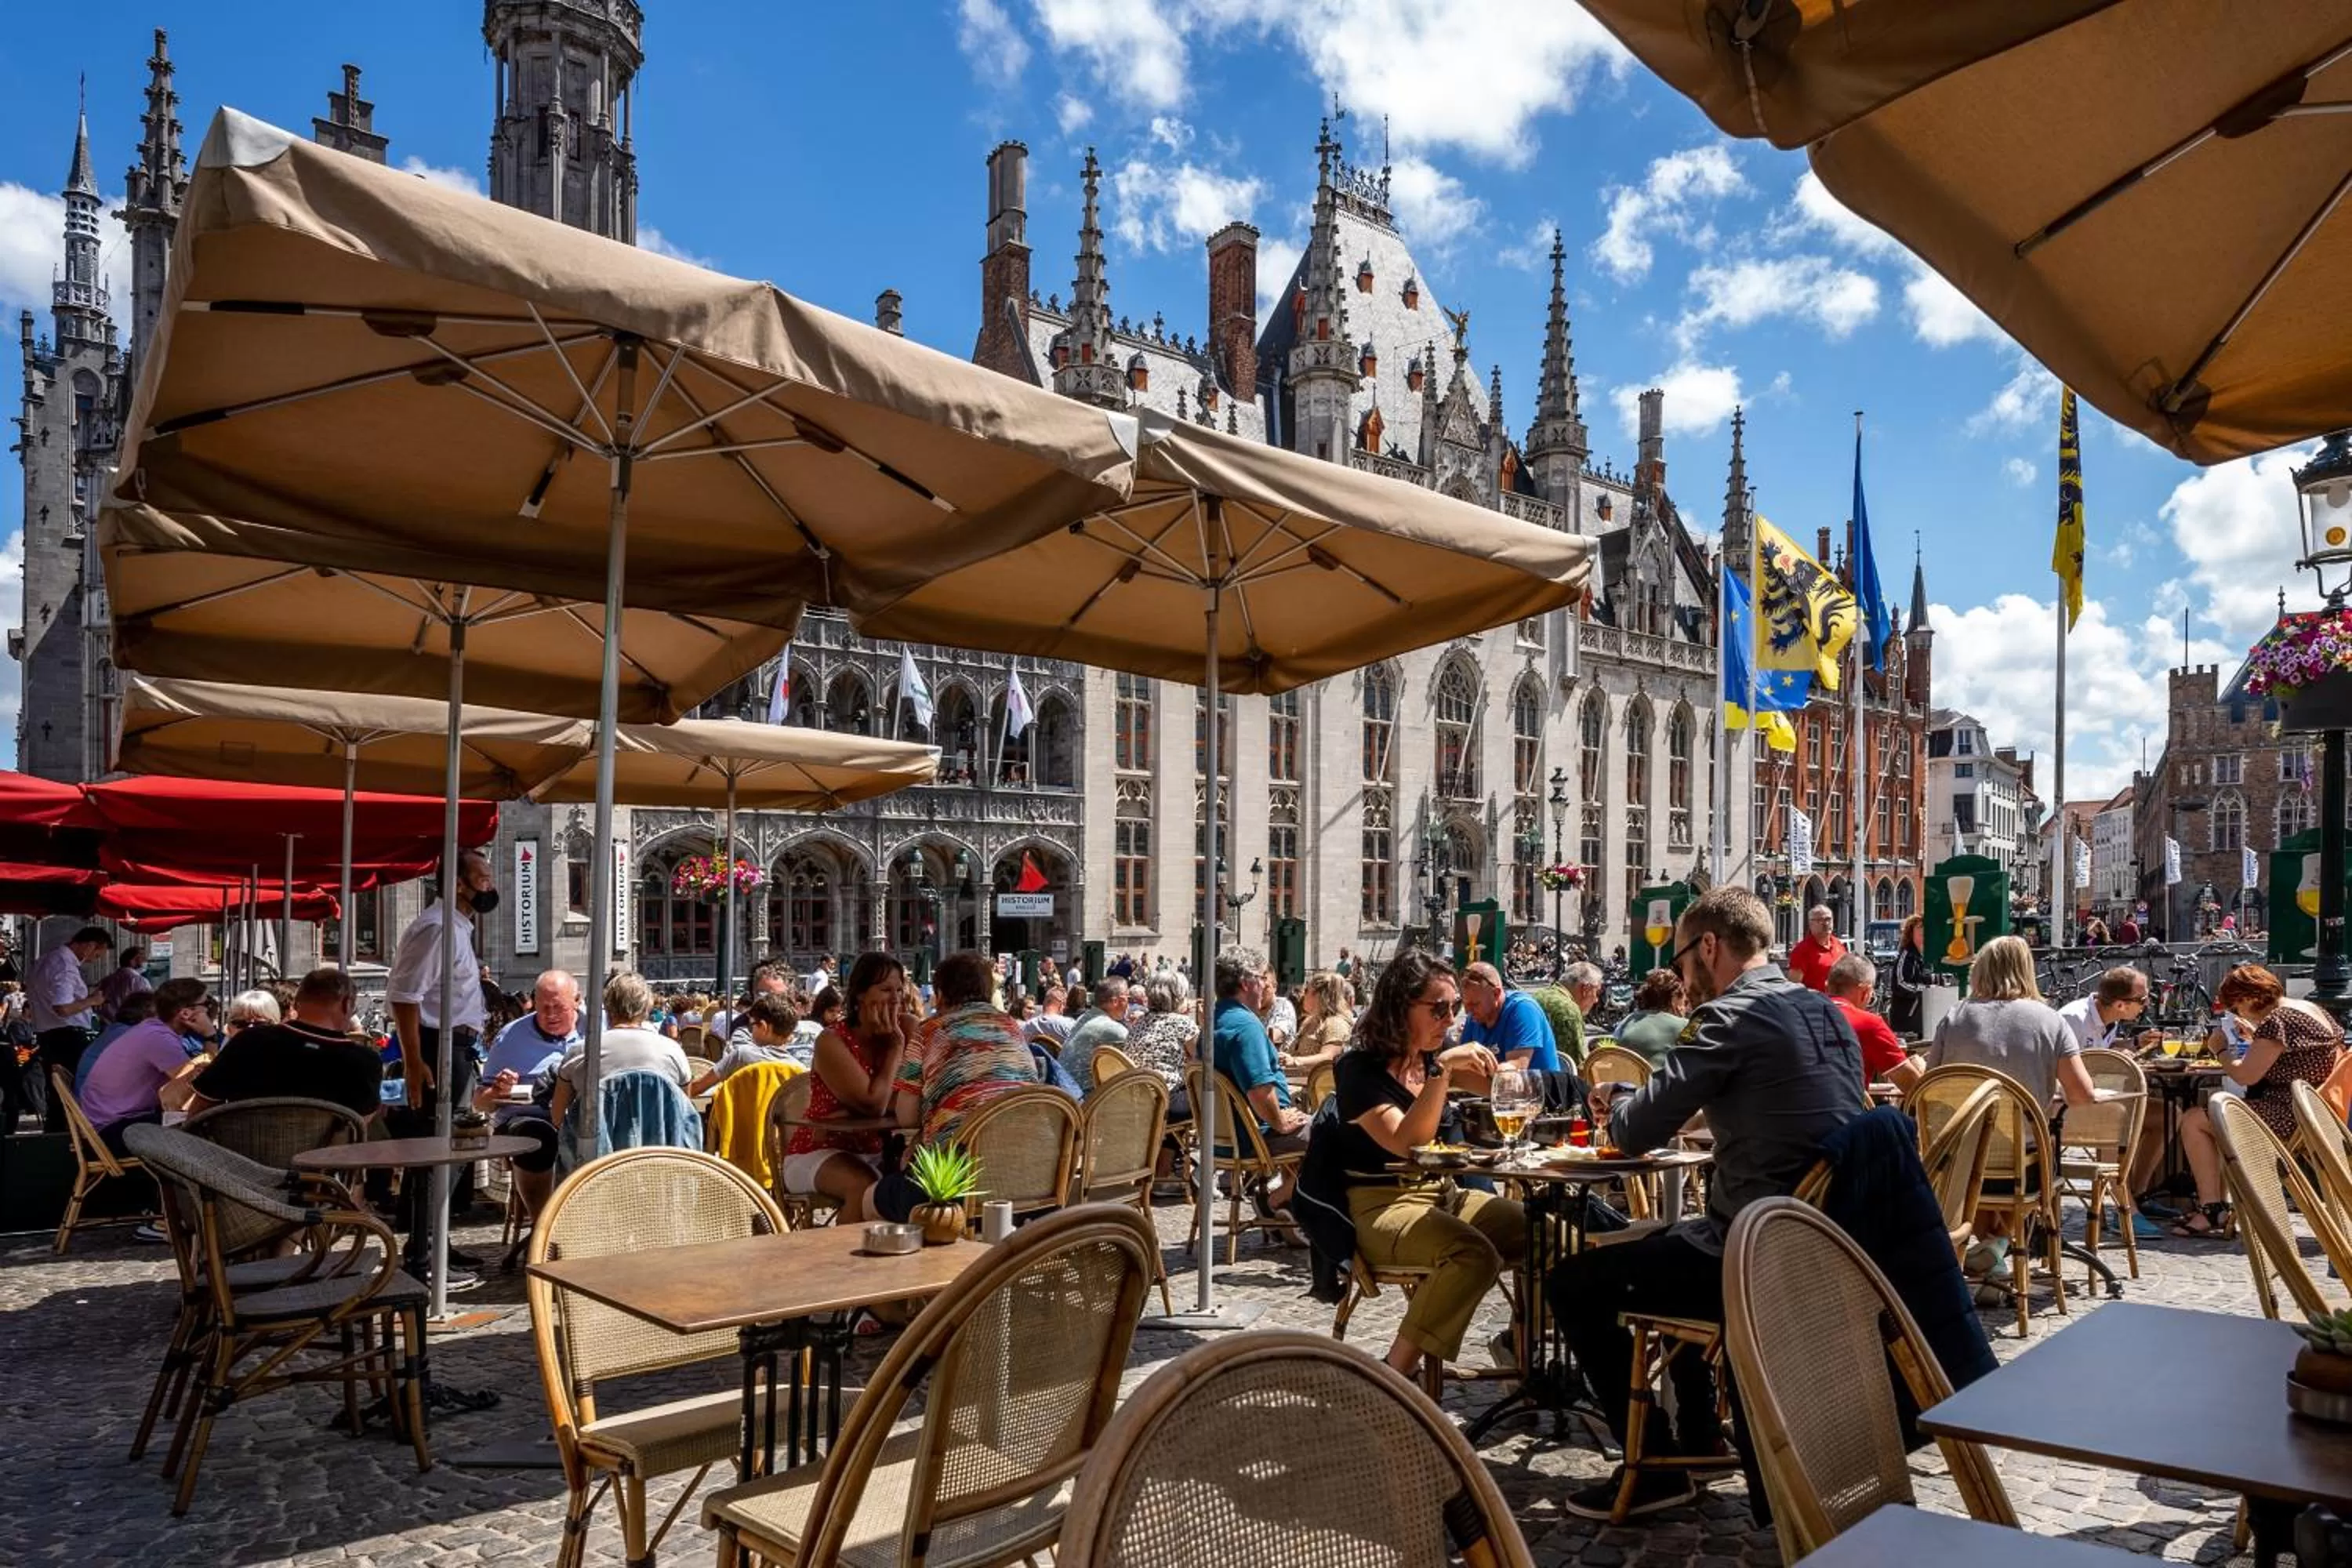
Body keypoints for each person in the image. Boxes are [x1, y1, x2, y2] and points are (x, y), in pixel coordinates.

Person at [1547, 886, 1863, 1519]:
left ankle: (1656, 1468)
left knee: (1575, 1282)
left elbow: (1635, 1132)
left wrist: (1618, 1103)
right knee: (1673, 1244)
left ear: (1710, 947)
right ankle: (1694, 1436)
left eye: (1686, 958)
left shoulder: (1729, 1017)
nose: (1683, 976)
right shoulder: (1828, 1012)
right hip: (1832, 1241)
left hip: (1753, 1253)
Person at [1325, 950, 1524, 1382]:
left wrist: (1521, 1080)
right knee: (1472, 1256)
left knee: (1541, 1231)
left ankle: (1519, 1344)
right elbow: (1407, 1143)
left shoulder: (1437, 1056)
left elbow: (1503, 1088)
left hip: (1443, 1194)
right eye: (1439, 1009)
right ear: (1400, 1007)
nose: (1450, 1019)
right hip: (1382, 1206)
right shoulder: (1358, 1069)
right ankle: (1394, 1374)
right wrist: (1443, 1074)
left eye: (1454, 1008)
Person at [385, 848, 499, 1282]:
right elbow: (405, 996)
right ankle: (424, 1254)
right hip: (438, 1048)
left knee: (447, 1148)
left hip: (457, 1046)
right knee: (439, 1149)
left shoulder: (456, 927)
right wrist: (414, 1062)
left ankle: (433, 1242)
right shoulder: (436, 929)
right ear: (457, 884)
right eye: (483, 878)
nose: (489, 886)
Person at [869, 951, 1043, 1222]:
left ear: (940, 994)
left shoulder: (930, 1031)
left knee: (869, 1198)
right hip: (1027, 1180)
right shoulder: (1012, 1028)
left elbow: (906, 1116)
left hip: (956, 1183)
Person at [2172, 964, 2343, 1238]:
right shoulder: (2309, 1009)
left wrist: (2221, 1051)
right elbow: (2294, 1056)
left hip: (2288, 1114)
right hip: (2315, 1109)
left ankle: (2211, 1209)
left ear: (2248, 999)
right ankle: (2218, 1205)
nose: (2236, 1013)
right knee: (2212, 1119)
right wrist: (2255, 1036)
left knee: (2195, 1119)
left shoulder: (2278, 1021)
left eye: (2235, 1006)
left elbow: (2245, 1076)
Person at [785, 955, 918, 1222]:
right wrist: (895, 1047)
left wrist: (861, 1107)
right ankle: (844, 1262)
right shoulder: (832, 1041)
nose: (895, 999)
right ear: (860, 996)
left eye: (899, 990)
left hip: (880, 1149)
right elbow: (875, 1104)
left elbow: (918, 1092)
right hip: (818, 1151)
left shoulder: (909, 1026)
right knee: (863, 1185)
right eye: (885, 990)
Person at [187, 966, 383, 1121]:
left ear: (296, 1004)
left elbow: (201, 1107)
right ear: (347, 1004)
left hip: (240, 1162)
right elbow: (358, 1126)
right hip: (320, 1165)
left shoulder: (249, 1041)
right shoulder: (364, 1061)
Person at [467, 969, 582, 1219]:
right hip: (529, 1118)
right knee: (537, 1137)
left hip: (582, 1117)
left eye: (558, 1007)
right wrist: (498, 1091)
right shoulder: (511, 1037)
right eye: (543, 1008)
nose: (550, 1015)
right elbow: (480, 1103)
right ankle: (542, 1227)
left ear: (577, 1001)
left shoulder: (597, 1029)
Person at [1210, 946, 1308, 1214]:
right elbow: (1259, 1091)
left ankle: (1293, 1210)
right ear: (1246, 983)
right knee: (1338, 1134)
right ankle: (1277, 1202)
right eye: (1261, 979)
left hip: (1224, 1137)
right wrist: (1279, 1121)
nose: (1265, 985)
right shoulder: (1246, 1026)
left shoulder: (1213, 1020)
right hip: (1257, 1136)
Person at [78, 978, 215, 1156]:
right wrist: (210, 1035)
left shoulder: (151, 1029)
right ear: (186, 1013)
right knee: (205, 1125)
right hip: (113, 1131)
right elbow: (198, 1086)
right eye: (206, 1003)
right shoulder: (159, 1039)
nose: (209, 1009)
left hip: (104, 1124)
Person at [547, 971, 694, 1134]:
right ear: (647, 1007)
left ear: (608, 1007)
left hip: (598, 1156)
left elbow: (558, 1117)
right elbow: (684, 1113)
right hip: (658, 1154)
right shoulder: (673, 1052)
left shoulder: (581, 1053)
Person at [30, 926, 114, 1126]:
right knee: (71, 1090)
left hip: (46, 1033)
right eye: (96, 955)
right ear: (89, 946)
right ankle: (69, 1136)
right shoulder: (65, 966)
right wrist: (92, 1001)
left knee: (57, 1093)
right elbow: (63, 1008)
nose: (95, 960)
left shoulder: (44, 960)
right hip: (67, 1036)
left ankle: (57, 1134)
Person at [1458, 963, 1561, 1074]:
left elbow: (1515, 1070)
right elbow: (1462, 1064)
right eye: (1466, 1004)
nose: (1468, 1011)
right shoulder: (1475, 1017)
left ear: (1496, 994)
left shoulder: (1523, 1009)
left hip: (1540, 1089)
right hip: (1495, 1089)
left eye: (1475, 1004)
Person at [1824, 954, 1908, 1082]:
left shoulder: (1799, 1018)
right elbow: (1913, 1086)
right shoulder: (1870, 1024)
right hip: (1849, 1100)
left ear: (1827, 986)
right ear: (1865, 992)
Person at [1124, 973, 1199, 1116]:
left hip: (1138, 1100)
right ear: (1178, 996)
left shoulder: (1139, 1023)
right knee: (1214, 1096)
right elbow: (1203, 1061)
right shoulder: (1183, 1024)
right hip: (1167, 1100)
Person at [2057, 967, 2160, 1054]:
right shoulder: (2073, 1020)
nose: (2147, 1003)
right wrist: (2109, 1057)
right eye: (2143, 1000)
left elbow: (2103, 1046)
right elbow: (2056, 1066)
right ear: (2120, 1005)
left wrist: (2137, 1042)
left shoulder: (2110, 1016)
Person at [77, 991, 162, 1098]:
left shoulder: (118, 1030)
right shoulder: (132, 1035)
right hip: (103, 1106)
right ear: (148, 1015)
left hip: (95, 1101)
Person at [1058, 977, 1130, 1093]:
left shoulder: (1084, 1018)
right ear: (1115, 1001)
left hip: (1063, 1091)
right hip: (1084, 1100)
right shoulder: (1113, 1029)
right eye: (1127, 998)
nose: (1128, 1004)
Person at [1530, 962, 1602, 1068]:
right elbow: (1576, 1065)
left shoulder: (1538, 995)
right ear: (1585, 989)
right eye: (1597, 992)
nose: (1596, 1000)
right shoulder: (1569, 1011)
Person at [1282, 971, 1355, 1073]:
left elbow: (1329, 1057)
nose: (1303, 995)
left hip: (1316, 1088)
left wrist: (1295, 1061)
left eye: (1307, 990)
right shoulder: (1309, 1021)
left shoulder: (1336, 1023)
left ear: (1319, 995)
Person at [1612, 969, 1690, 1065]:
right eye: (1684, 1001)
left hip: (1622, 1078)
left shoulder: (1627, 1021)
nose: (1685, 1008)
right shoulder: (1685, 1026)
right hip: (1659, 1079)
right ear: (1674, 999)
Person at [1886, 915, 1931, 1038]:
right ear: (1911, 932)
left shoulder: (1923, 956)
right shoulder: (1906, 956)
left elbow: (1924, 978)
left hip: (1921, 1019)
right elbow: (1901, 983)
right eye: (1920, 927)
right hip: (1906, 1020)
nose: (1924, 930)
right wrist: (1924, 991)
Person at [1788, 905, 1847, 992]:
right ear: (1811, 924)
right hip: (1816, 1003)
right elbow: (1793, 987)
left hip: (1839, 1002)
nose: (1826, 924)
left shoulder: (1838, 944)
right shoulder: (1802, 950)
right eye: (1820, 920)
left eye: (1828, 919)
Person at [100, 947, 153, 1022]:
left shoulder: (107, 980)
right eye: (143, 957)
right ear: (132, 961)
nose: (146, 960)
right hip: (131, 1024)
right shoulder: (139, 981)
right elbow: (149, 1004)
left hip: (109, 1024)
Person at [1261, 972, 1299, 1051]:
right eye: (1258, 987)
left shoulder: (1283, 1005)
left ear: (1275, 986)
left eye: (1265, 987)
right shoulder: (1250, 1007)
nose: (1261, 992)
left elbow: (1274, 1036)